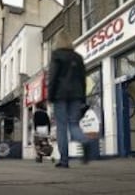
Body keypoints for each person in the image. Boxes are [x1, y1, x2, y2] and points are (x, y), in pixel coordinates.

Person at [47, 30, 91, 168]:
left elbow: (53, 77)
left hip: (60, 95)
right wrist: (83, 97)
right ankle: (84, 140)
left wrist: (50, 95)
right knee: (73, 124)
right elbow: (83, 79)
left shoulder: (56, 55)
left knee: (61, 127)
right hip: (76, 95)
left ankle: (64, 160)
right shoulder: (78, 57)